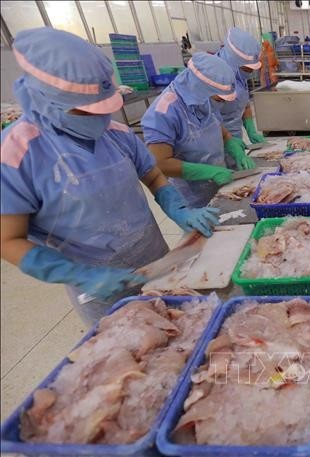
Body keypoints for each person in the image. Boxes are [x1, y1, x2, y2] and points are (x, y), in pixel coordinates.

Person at [0, 28, 220, 325]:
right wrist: (78, 274)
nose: (101, 119)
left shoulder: (116, 133)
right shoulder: (17, 154)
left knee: (179, 328)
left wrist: (180, 211)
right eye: (86, 111)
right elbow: (8, 239)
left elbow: (153, 174)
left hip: (154, 258)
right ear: (46, 99)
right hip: (96, 283)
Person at [142, 52, 254, 208]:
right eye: (219, 100)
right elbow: (160, 163)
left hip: (220, 184)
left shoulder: (202, 98)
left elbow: (216, 126)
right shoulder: (163, 112)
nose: (221, 104)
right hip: (192, 195)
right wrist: (208, 172)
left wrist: (233, 146)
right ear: (201, 89)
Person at [215, 28, 266, 145]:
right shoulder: (213, 77)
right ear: (234, 60)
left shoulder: (240, 75)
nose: (250, 72)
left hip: (235, 139)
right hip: (215, 143)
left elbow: (244, 105)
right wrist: (228, 141)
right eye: (247, 69)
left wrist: (251, 130)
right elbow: (207, 121)